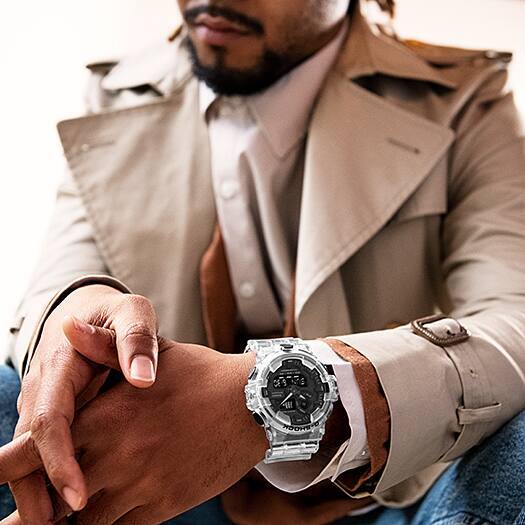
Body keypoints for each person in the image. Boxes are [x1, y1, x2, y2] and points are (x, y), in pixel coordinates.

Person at [0, 0, 524, 523]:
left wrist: (265, 396)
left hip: (399, 496)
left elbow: (515, 323)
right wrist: (74, 323)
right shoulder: (120, 89)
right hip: (162, 482)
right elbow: (58, 282)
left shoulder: (464, 97)